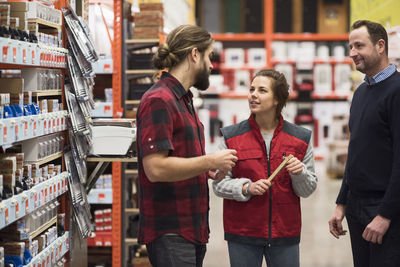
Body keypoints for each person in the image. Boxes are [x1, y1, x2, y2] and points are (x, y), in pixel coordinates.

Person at [136, 24, 238, 267]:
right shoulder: (159, 100)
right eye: (209, 56)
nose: (212, 65)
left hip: (191, 228)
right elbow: (156, 168)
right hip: (171, 230)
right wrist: (210, 160)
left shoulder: (183, 99)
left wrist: (204, 170)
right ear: (194, 54)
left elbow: (178, 157)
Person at [212, 69, 317, 267]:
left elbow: (308, 189)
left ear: (277, 99)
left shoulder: (300, 139)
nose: (253, 94)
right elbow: (218, 184)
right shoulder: (231, 137)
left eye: (262, 90)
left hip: (285, 233)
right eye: (251, 89)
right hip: (242, 233)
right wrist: (246, 188)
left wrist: (299, 173)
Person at [328, 20, 400, 267]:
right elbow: (356, 152)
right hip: (358, 209)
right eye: (350, 47)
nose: (352, 53)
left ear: (381, 46)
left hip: (385, 210)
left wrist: (386, 215)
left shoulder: (397, 91)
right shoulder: (360, 93)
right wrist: (341, 203)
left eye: (359, 45)